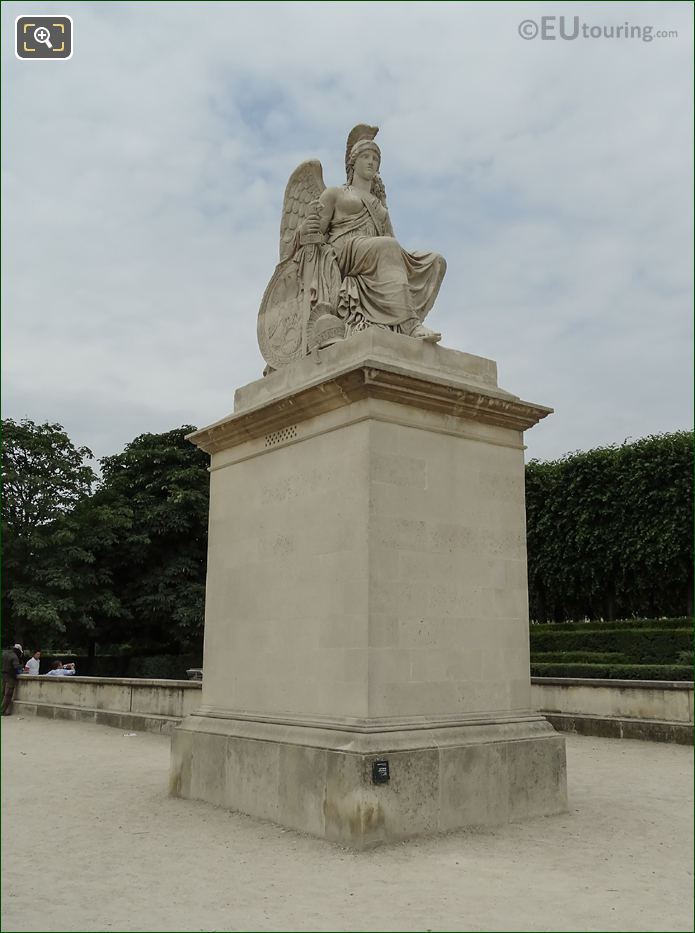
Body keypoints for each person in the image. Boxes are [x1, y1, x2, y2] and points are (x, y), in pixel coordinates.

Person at [304, 134, 446, 341]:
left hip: (376, 251)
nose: (371, 161)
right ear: (353, 163)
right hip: (345, 252)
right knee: (387, 246)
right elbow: (311, 233)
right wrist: (308, 226)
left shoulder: (379, 205)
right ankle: (410, 324)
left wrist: (409, 261)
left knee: (435, 261)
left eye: (375, 158)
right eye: (366, 156)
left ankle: (395, 315)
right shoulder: (336, 193)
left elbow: (392, 242)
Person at [2, 644, 24, 715]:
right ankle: (2, 711)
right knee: (8, 695)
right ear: (18, 650)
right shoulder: (14, 657)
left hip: (4, 676)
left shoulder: (5, 654)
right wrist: (21, 668)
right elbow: (16, 668)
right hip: (10, 677)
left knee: (3, 694)